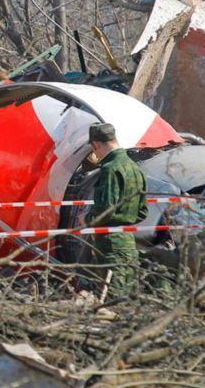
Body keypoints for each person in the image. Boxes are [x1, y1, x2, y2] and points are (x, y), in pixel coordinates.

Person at [87, 122, 147, 297]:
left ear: (96, 144)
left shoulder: (110, 169)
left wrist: (88, 220)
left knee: (109, 301)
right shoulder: (135, 168)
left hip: (109, 244)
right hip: (128, 241)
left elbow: (106, 210)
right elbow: (142, 211)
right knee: (126, 300)